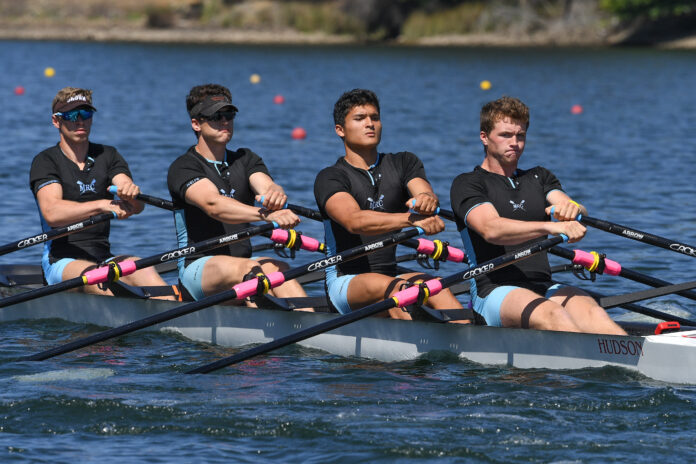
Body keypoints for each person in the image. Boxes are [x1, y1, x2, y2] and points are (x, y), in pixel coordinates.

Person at [450, 96, 626, 334]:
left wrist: (573, 209)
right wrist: (550, 227)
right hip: (493, 291)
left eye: (520, 136)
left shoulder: (539, 177)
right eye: (505, 135)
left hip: (544, 286)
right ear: (484, 137)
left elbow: (572, 206)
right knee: (553, 314)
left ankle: (632, 356)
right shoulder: (468, 183)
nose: (514, 143)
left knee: (594, 313)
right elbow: (491, 229)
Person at [314, 88, 465, 320]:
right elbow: (355, 221)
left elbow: (424, 191)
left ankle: (467, 336)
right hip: (345, 283)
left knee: (436, 286)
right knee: (400, 291)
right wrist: (411, 220)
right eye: (360, 118)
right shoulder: (330, 177)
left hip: (390, 277)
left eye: (374, 118)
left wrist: (426, 200)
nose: (370, 124)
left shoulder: (404, 163)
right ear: (340, 130)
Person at [167, 83, 309, 307]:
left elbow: (267, 186)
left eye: (229, 115)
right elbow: (214, 204)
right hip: (198, 269)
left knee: (279, 268)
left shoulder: (245, 159)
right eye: (216, 116)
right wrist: (267, 215)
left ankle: (308, 321)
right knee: (251, 270)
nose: (225, 121)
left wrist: (276, 195)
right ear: (196, 124)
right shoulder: (184, 167)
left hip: (242, 264)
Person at [29, 87, 173, 298]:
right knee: (99, 280)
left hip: (104, 258)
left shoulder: (108, 155)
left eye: (86, 114)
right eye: (72, 116)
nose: (80, 121)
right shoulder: (46, 161)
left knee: (143, 268)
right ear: (56, 121)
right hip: (60, 261)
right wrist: (101, 205)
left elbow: (136, 205)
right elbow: (52, 212)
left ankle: (173, 307)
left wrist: (130, 193)